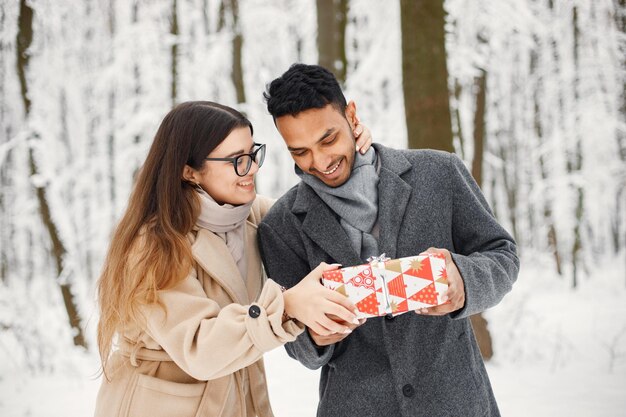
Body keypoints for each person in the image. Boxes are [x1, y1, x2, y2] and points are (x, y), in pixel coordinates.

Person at [257, 64, 520, 417]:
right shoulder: (282, 225)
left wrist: (463, 279)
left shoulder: (438, 173)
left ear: (351, 115)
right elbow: (298, 346)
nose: (319, 162)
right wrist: (315, 335)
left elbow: (502, 255)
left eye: (328, 139)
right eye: (299, 152)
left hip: (456, 403)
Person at [94, 100, 373, 417]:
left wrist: (353, 154)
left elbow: (318, 213)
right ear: (190, 171)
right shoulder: (155, 245)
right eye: (237, 161)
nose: (252, 169)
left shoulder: (250, 216)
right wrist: (288, 305)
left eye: (253, 155)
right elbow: (200, 347)